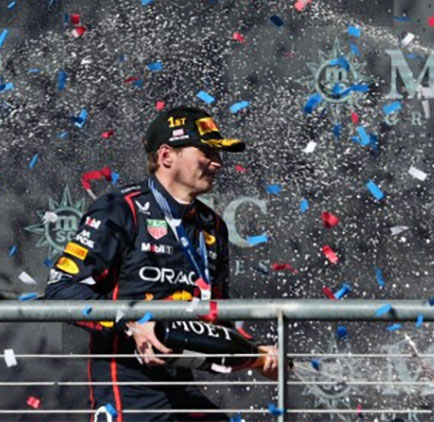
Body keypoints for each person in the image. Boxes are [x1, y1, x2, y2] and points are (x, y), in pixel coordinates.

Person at [45, 106, 278, 421]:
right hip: (127, 389)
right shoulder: (120, 209)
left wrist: (256, 353)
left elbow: (215, 321)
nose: (218, 162)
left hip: (181, 383)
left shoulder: (212, 226)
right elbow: (60, 290)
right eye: (207, 152)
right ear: (167, 156)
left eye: (219, 154)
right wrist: (133, 322)